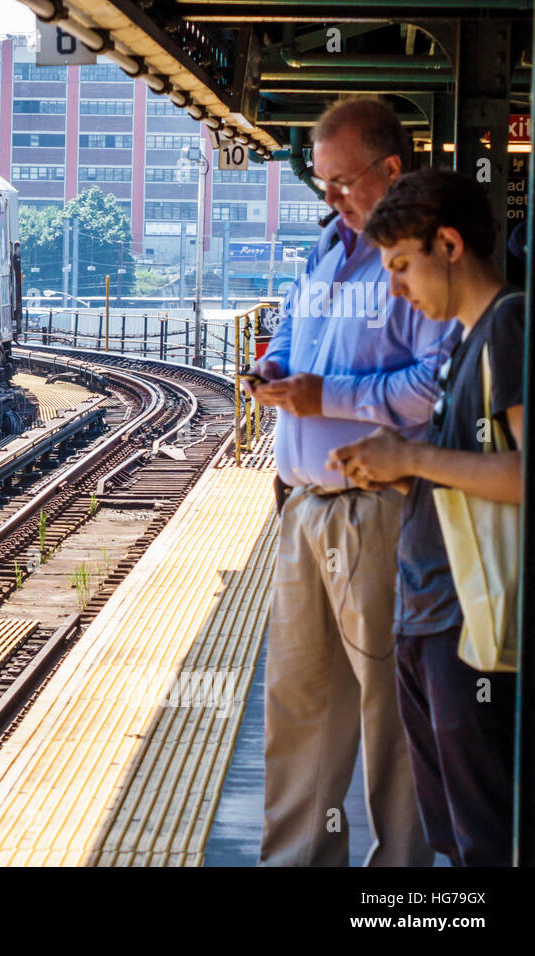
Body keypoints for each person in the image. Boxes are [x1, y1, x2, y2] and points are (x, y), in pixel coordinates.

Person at [245, 97, 450, 866]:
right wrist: (273, 369)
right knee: (300, 707)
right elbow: (294, 339)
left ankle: (402, 883)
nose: (328, 198)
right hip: (303, 508)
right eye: (323, 184)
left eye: (339, 183)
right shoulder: (324, 253)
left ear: (389, 171)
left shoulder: (418, 263)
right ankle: (300, 858)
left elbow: (437, 384)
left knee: (388, 712)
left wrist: (326, 397)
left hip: (380, 510)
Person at [328, 168, 528, 866]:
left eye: (402, 265)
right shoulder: (465, 345)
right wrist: (398, 459)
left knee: (485, 839)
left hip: (469, 626)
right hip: (429, 615)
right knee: (452, 835)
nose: (396, 288)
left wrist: (408, 458)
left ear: (448, 243)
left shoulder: (509, 325)